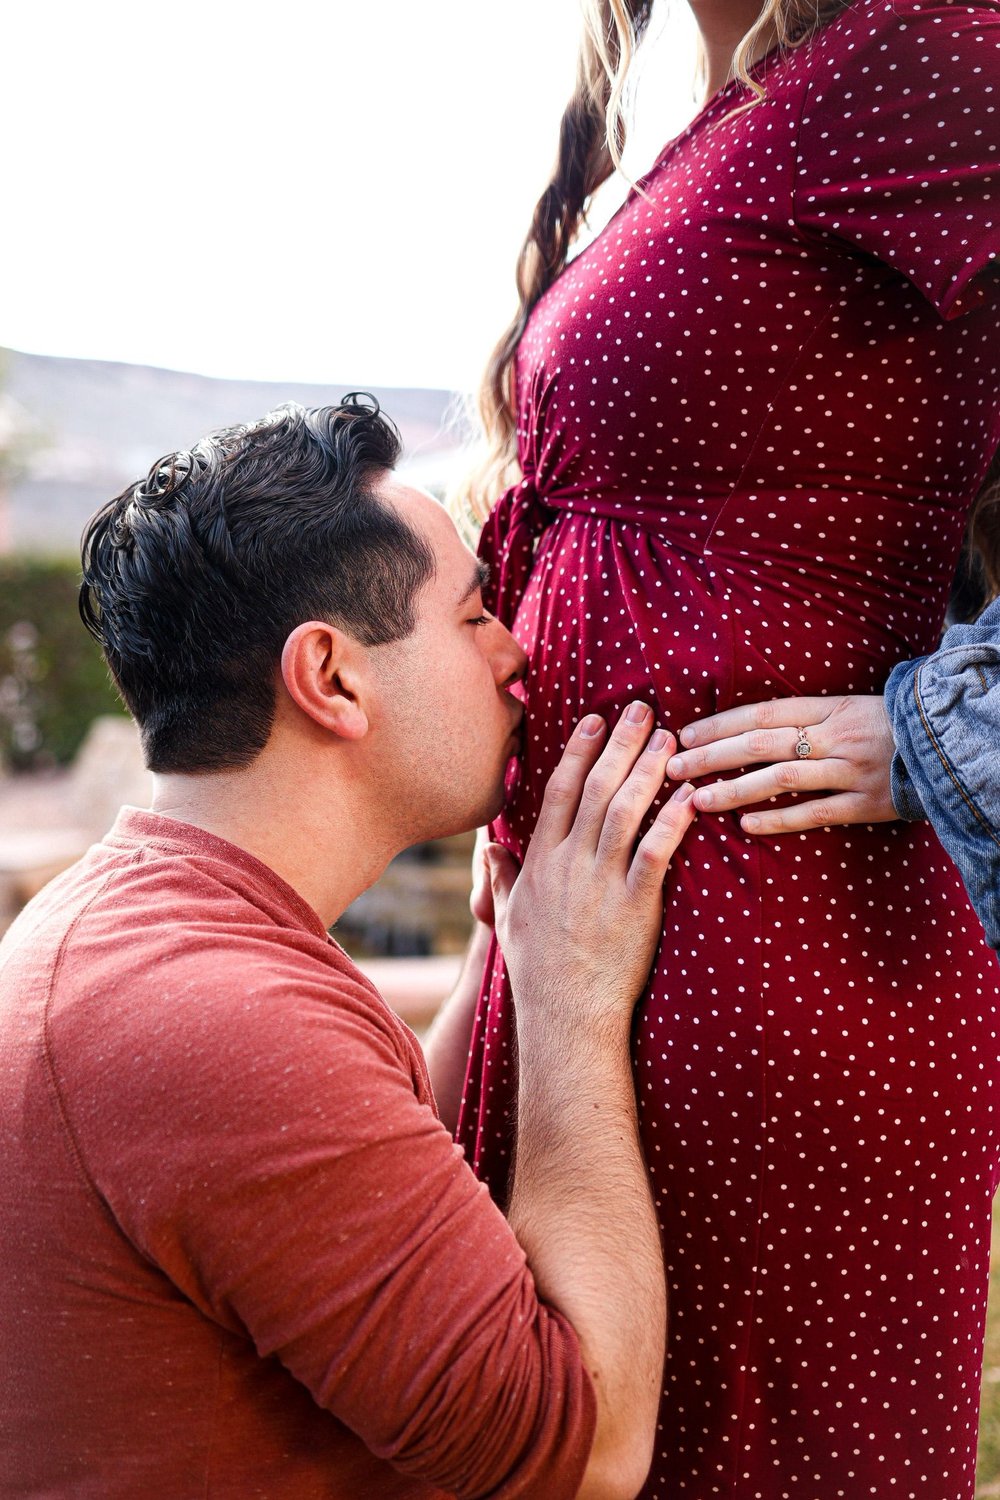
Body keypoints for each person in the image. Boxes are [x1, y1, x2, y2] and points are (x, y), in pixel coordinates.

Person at [454, 0, 1000, 1494]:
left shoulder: (925, 55)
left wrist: (952, 736)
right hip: (588, 966)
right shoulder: (720, 113)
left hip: (773, 970)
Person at [0, 397, 699, 1500]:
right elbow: (589, 1450)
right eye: (472, 617)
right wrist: (573, 1003)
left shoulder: (132, 933)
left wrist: (505, 953)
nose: (515, 651)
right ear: (330, 678)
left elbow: (373, 1188)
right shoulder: (214, 1020)